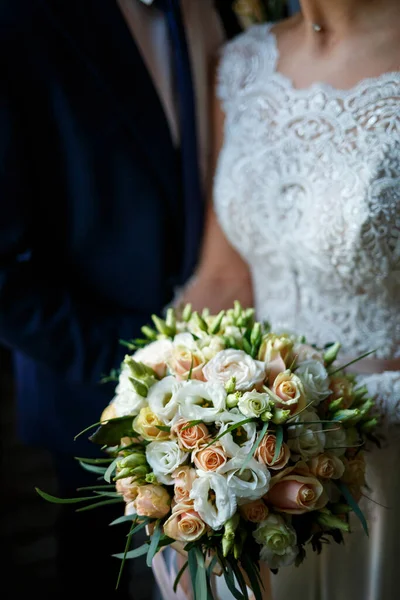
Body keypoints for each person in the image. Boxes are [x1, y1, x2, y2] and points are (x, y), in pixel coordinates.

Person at [0, 0, 243, 597]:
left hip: (242, 368)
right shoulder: (19, 23)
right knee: (100, 568)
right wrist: (146, 372)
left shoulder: (222, 14)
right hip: (90, 372)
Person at [167, 0, 400, 598]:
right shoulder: (243, 62)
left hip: (384, 458)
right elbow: (222, 277)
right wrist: (171, 409)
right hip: (254, 468)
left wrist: (317, 415)